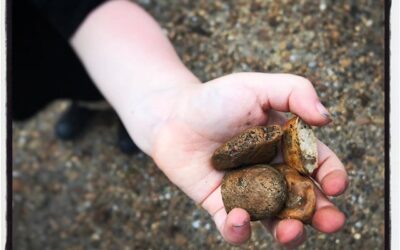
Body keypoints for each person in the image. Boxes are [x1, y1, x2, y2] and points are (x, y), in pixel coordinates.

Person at [12, 0, 349, 247]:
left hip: (68, 49)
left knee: (89, 84)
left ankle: (115, 109)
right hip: (26, 80)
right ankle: (92, 105)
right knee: (70, 90)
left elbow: (82, 9)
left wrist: (165, 108)